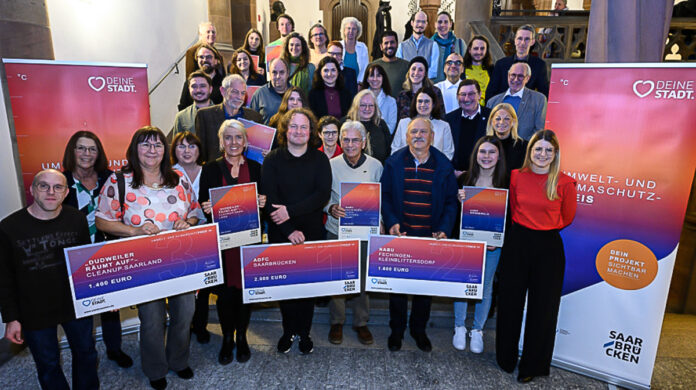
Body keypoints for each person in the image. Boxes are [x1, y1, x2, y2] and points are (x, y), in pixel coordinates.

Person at [96, 126, 204, 390]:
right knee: (152, 318)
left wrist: (186, 222)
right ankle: (155, 369)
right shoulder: (119, 180)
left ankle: (178, 361)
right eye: (145, 145)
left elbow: (195, 211)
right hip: (144, 264)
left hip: (181, 260)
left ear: (164, 150)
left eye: (157, 145)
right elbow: (102, 220)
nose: (152, 150)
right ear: (135, 149)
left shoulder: (178, 177)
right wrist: (133, 230)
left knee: (184, 313)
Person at [0, 169, 99, 390]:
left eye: (58, 187)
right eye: (44, 186)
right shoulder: (9, 228)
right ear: (33, 190)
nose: (51, 192)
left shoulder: (77, 219)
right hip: (34, 308)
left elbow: (85, 263)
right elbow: (4, 279)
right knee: (48, 364)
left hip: (74, 304)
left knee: (86, 353)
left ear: (66, 193)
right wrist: (11, 318)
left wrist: (103, 296)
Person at [496, 129, 577, 383]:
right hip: (518, 243)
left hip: (548, 247)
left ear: (555, 155)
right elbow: (510, 209)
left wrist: (543, 227)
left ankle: (533, 364)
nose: (542, 155)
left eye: (548, 150)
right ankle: (505, 357)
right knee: (509, 303)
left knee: (543, 309)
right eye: (537, 149)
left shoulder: (565, 183)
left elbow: (567, 217)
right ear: (530, 152)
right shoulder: (516, 176)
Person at [381, 117, 458, 352]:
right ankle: (397, 330)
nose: (418, 136)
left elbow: (450, 203)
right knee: (398, 288)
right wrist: (391, 221)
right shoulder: (394, 162)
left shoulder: (443, 165)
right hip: (401, 235)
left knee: (424, 289)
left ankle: (418, 330)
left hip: (429, 236)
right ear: (406, 136)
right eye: (414, 132)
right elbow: (384, 196)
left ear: (432, 136)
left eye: (423, 132)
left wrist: (444, 228)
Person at [261, 108, 331, 355]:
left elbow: (321, 195)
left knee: (307, 289)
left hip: (311, 233)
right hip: (281, 233)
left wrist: (290, 211)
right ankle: (288, 330)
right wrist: (288, 229)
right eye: (294, 126)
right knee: (286, 288)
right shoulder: (272, 159)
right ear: (285, 130)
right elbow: (269, 200)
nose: (299, 131)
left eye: (304, 127)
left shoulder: (320, 159)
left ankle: (305, 333)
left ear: (310, 131)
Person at [61, 131, 133, 369]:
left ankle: (114, 349)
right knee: (81, 309)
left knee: (110, 305)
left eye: (92, 149)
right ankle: (86, 354)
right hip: (76, 254)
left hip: (106, 249)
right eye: (81, 148)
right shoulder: (61, 183)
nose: (86, 154)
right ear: (72, 151)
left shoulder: (109, 178)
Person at [198, 119, 266, 365]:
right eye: (228, 137)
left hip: (248, 243)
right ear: (221, 142)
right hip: (223, 245)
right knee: (226, 295)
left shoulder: (258, 168)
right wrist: (207, 208)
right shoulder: (211, 169)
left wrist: (262, 203)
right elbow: (204, 203)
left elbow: (265, 207)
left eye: (238, 137)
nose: (233, 142)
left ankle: (242, 338)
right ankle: (227, 337)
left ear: (246, 142)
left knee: (245, 294)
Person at [325, 121, 383, 346]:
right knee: (337, 278)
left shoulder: (377, 166)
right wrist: (330, 208)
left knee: (362, 278)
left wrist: (381, 223)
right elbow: (322, 195)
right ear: (340, 141)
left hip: (365, 232)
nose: (350, 144)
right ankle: (336, 322)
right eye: (346, 140)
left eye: (355, 140)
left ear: (364, 142)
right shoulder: (331, 165)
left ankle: (361, 322)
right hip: (336, 229)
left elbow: (381, 199)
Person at [452, 136, 508, 353]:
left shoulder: (505, 182)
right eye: (482, 152)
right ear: (476, 155)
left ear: (499, 156)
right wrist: (459, 201)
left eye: (491, 152)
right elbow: (456, 216)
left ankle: (477, 330)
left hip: (493, 247)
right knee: (463, 284)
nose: (486, 157)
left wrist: (497, 239)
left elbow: (509, 217)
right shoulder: (464, 179)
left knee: (485, 286)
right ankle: (459, 326)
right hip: (467, 244)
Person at [195, 74, 264, 162]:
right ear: (223, 91)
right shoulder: (204, 116)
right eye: (234, 92)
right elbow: (200, 153)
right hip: (216, 171)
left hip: (246, 171)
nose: (239, 97)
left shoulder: (255, 117)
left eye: (243, 93)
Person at [486, 25, 549, 99]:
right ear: (515, 40)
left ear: (532, 42)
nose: (522, 43)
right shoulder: (501, 64)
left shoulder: (539, 65)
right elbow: (491, 92)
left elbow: (544, 94)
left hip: (526, 107)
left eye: (527, 39)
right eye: (519, 38)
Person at [486, 62, 547, 140]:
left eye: (520, 76)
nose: (516, 79)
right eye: (513, 75)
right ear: (508, 75)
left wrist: (522, 146)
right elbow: (488, 129)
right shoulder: (492, 102)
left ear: (527, 78)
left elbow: (539, 131)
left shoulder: (539, 100)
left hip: (525, 150)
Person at [392, 87, 454, 160]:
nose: (423, 105)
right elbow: (395, 150)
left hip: (435, 169)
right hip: (406, 168)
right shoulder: (403, 123)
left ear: (433, 104)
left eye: (427, 101)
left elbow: (448, 153)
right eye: (420, 101)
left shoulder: (444, 126)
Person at [446, 79, 490, 176]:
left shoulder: (491, 117)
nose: (466, 99)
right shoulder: (448, 120)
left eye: (471, 94)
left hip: (482, 175)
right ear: (457, 97)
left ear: (480, 95)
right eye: (463, 94)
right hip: (455, 176)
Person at [345, 89, 392, 164]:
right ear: (356, 106)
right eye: (363, 105)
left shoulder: (381, 124)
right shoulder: (346, 124)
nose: (367, 109)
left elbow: (389, 151)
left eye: (371, 105)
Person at [179, 44, 224, 111]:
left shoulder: (223, 83)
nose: (205, 60)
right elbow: (183, 106)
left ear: (216, 61)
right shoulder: (191, 81)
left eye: (209, 57)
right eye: (201, 57)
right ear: (197, 60)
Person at [396, 11, 439, 80]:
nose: (420, 24)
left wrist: (418, 79)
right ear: (412, 23)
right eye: (418, 21)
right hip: (407, 87)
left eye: (423, 22)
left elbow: (433, 72)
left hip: (425, 88)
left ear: (426, 24)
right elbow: (399, 70)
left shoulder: (433, 45)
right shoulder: (402, 46)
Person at [486, 103, 528, 172]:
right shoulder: (484, 144)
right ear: (491, 122)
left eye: (507, 118)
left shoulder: (524, 146)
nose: (502, 122)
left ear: (513, 122)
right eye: (498, 118)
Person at [172, 70, 214, 137]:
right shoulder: (181, 117)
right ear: (189, 89)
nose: (198, 90)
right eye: (194, 86)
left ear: (210, 89)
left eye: (202, 86)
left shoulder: (222, 113)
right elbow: (177, 145)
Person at [250, 58, 291, 124]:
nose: (278, 76)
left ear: (288, 74)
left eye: (282, 72)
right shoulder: (259, 94)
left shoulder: (296, 94)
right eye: (274, 72)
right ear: (269, 74)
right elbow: (252, 123)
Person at [371, 30, 410, 98]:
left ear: (397, 44)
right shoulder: (373, 66)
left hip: (400, 107)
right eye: (386, 43)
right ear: (381, 46)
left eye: (392, 42)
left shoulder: (407, 66)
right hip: (377, 107)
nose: (389, 45)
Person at [431, 11, 466, 83]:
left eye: (446, 22)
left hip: (455, 86)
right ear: (435, 24)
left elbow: (466, 65)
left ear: (450, 24)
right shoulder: (429, 45)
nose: (443, 25)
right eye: (440, 22)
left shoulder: (460, 43)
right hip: (433, 86)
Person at [362, 63, 397, 134]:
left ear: (383, 78)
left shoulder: (391, 101)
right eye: (371, 75)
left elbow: (390, 130)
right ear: (367, 79)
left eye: (378, 76)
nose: (375, 79)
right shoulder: (359, 99)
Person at [463, 35, 494, 105]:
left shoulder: (492, 69)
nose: (479, 52)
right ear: (469, 50)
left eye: (482, 48)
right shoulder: (462, 68)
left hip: (487, 110)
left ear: (486, 51)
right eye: (476, 48)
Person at [340, 17, 369, 81]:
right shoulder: (338, 46)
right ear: (344, 31)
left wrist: (360, 84)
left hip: (358, 85)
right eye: (348, 28)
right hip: (340, 85)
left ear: (357, 31)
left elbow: (365, 68)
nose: (351, 31)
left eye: (354, 29)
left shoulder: (363, 47)